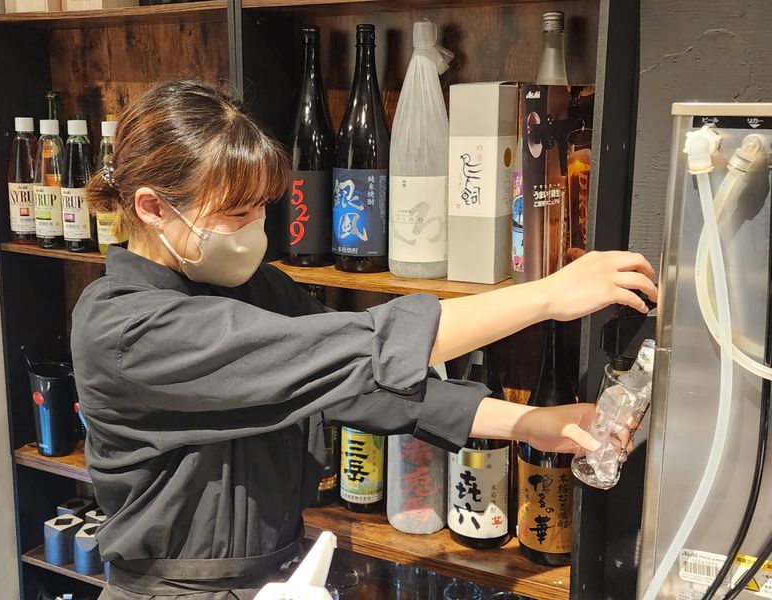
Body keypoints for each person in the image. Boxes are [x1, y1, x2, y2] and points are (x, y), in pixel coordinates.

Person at [72, 80, 658, 600]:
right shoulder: (123, 329)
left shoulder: (256, 287)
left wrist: (529, 424)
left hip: (278, 575)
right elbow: (358, 348)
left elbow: (360, 383)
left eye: (260, 210)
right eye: (235, 214)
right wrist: (545, 296)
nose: (256, 229)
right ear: (152, 207)